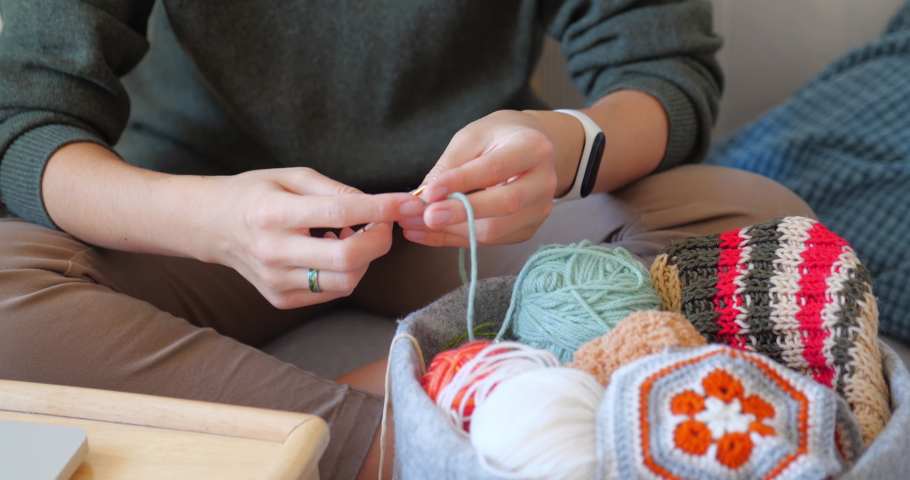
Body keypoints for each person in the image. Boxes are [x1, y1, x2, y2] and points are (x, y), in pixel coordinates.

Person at [0, 1, 814, 478]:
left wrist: (565, 146)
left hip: (469, 215)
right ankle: (404, 436)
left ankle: (362, 413)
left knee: (757, 228)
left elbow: (665, 72)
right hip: (201, 218)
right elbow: (24, 120)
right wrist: (212, 222)